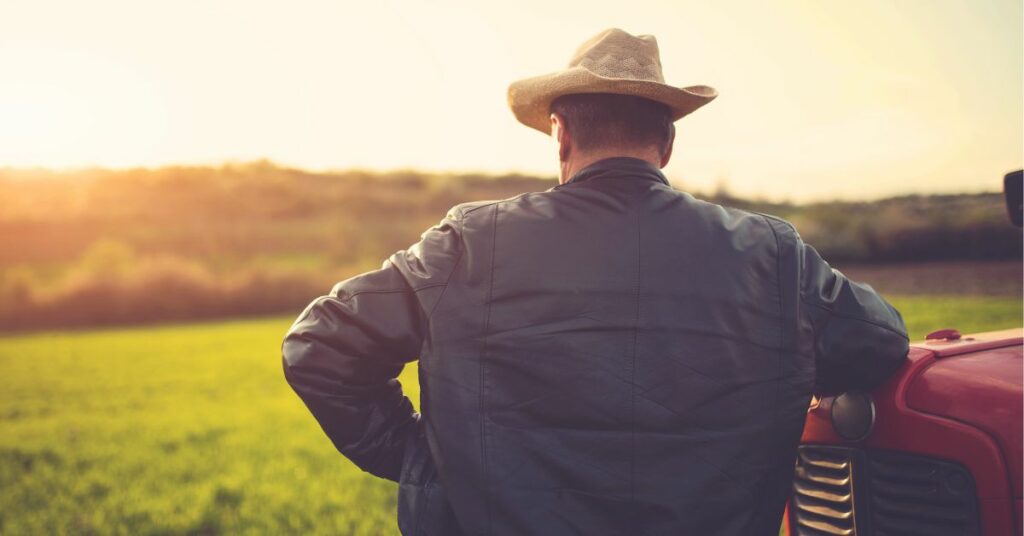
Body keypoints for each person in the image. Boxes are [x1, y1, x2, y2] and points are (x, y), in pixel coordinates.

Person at [282, 28, 909, 535]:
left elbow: (320, 346)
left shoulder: (471, 244)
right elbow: (879, 341)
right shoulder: (771, 255)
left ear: (561, 135)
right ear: (666, 142)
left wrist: (426, 463)